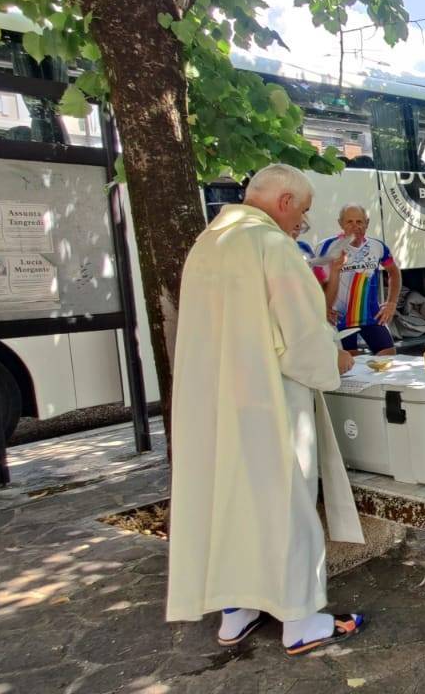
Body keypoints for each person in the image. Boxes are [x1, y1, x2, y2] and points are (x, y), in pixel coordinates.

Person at [166, 163, 365, 655]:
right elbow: (300, 333)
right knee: (285, 504)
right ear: (284, 201)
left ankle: (237, 611)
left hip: (214, 404)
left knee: (229, 503)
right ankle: (300, 620)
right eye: (303, 210)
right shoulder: (272, 245)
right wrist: (335, 357)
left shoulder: (207, 244)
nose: (302, 222)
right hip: (269, 402)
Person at [319, 205, 401, 355]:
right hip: (340, 319)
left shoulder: (377, 246)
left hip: (371, 316)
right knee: (351, 363)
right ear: (340, 223)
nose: (355, 226)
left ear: (367, 223)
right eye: (349, 222)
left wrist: (392, 303)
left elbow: (394, 273)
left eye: (359, 222)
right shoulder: (327, 247)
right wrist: (321, 307)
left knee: (389, 355)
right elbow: (314, 280)